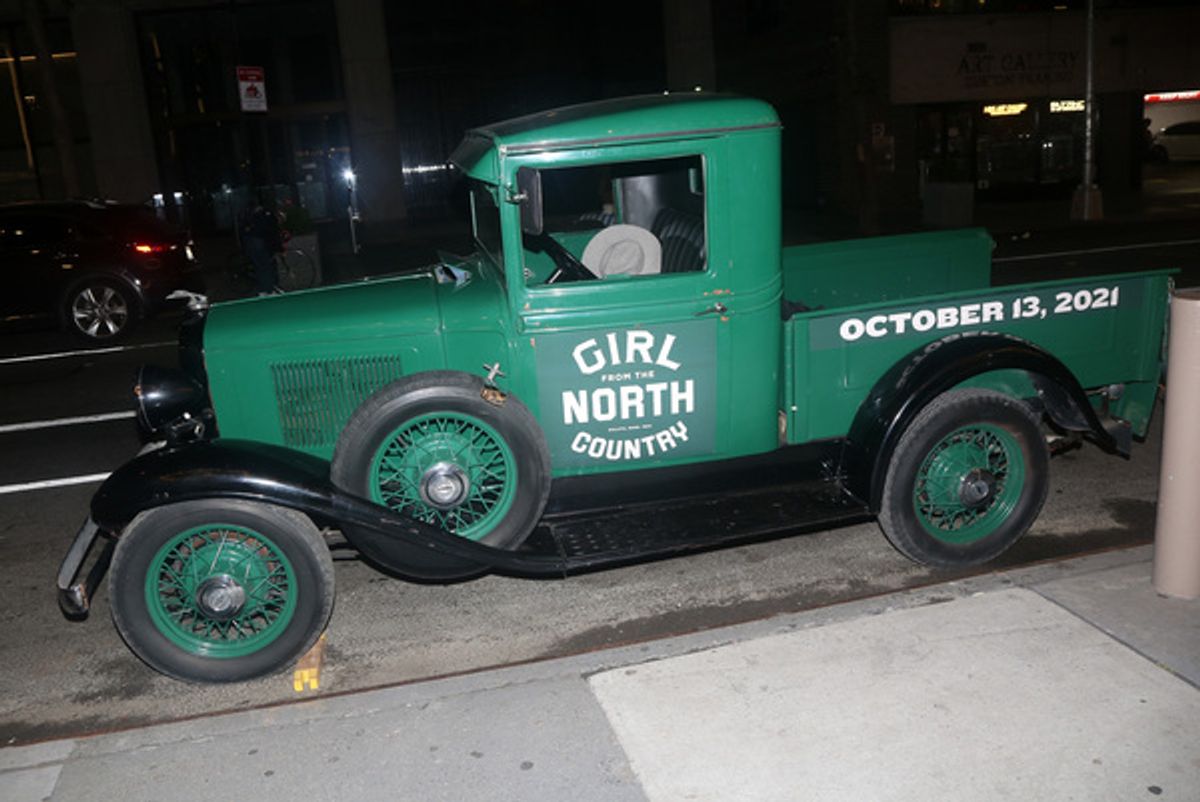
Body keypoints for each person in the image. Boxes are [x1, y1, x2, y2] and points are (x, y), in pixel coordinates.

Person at [240, 197, 282, 295]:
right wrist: (277, 247)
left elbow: (245, 230)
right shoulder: (268, 215)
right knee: (266, 266)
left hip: (250, 242)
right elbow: (272, 232)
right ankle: (269, 289)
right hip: (260, 243)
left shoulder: (249, 214)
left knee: (259, 267)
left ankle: (263, 290)